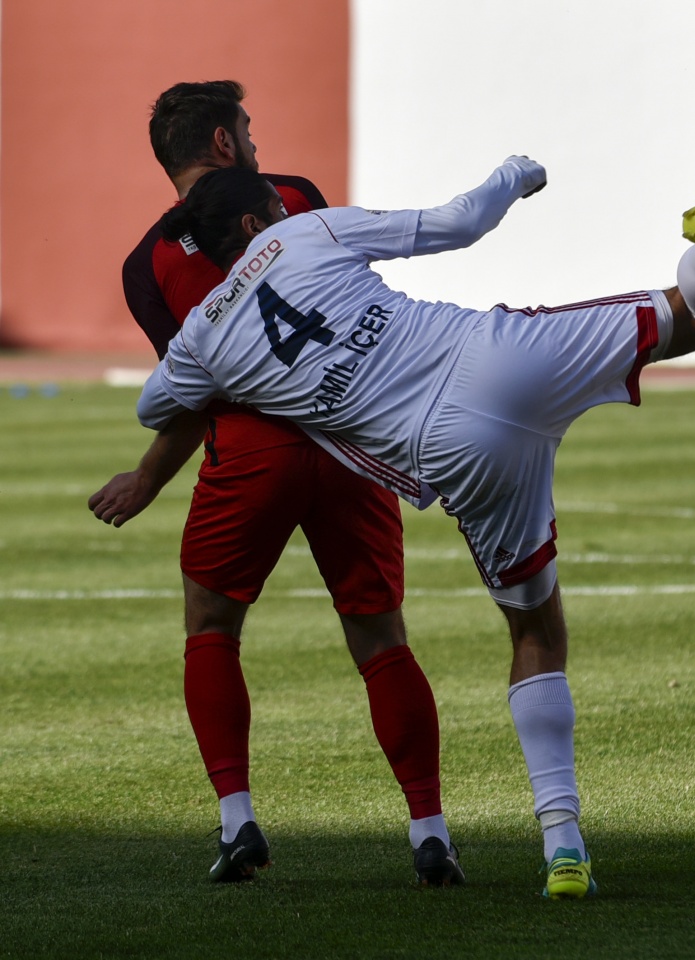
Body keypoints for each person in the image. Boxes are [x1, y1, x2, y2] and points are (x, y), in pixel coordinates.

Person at [103, 157, 695, 899]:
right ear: (254, 221)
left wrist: (218, 361)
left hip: (451, 454)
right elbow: (459, 222)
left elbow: (153, 405)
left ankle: (565, 845)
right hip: (495, 357)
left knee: (535, 633)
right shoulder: (308, 231)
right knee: (685, 318)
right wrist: (515, 175)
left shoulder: (200, 337)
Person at [92, 81, 458, 888]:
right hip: (346, 442)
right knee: (379, 637)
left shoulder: (145, 266)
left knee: (211, 625)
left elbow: (190, 390)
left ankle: (238, 822)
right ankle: (430, 831)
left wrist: (148, 479)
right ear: (223, 143)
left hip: (249, 454)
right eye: (247, 129)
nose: (256, 141)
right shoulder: (292, 198)